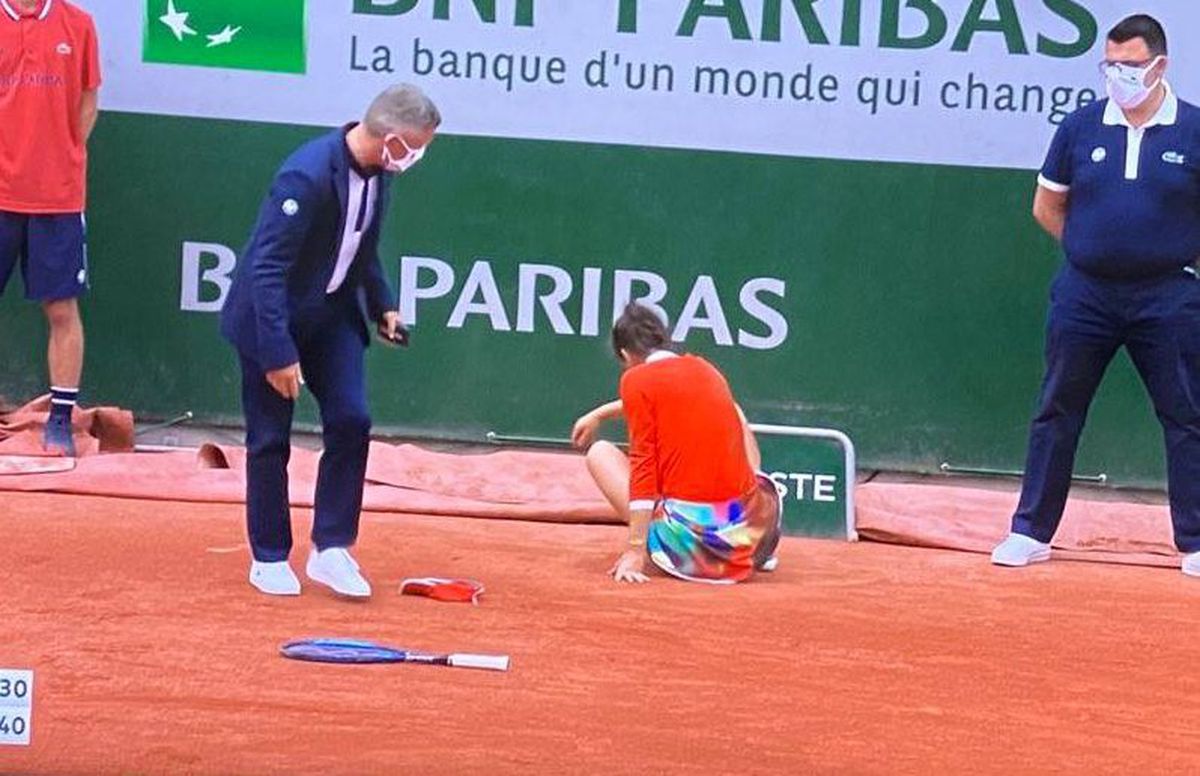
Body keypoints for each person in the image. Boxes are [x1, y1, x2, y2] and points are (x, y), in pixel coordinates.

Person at [992, 15, 1200, 576]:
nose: (1119, 76)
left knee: (1187, 416)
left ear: (1160, 66)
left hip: (1169, 297)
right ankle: (1029, 532)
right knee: (1057, 410)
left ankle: (1197, 542)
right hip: (1085, 296)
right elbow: (1047, 206)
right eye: (1110, 65)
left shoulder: (1195, 130)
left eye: (1130, 66)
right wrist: (1092, 249)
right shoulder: (1080, 126)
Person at [220, 84, 440, 597]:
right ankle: (269, 556)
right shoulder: (308, 174)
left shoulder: (380, 174)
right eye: (415, 146)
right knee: (270, 438)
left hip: (333, 317)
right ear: (389, 138)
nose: (418, 157)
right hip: (270, 319)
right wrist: (275, 351)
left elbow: (361, 244)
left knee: (351, 419)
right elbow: (265, 268)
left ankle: (332, 548)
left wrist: (382, 304)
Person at [573, 303, 782, 584]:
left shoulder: (635, 380)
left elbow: (644, 465)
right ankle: (749, 538)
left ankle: (675, 539)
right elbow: (669, 394)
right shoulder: (705, 368)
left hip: (694, 551)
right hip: (752, 534)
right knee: (735, 411)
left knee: (600, 453)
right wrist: (600, 414)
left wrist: (636, 550)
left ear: (625, 354)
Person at [0, 0, 101, 457]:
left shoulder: (78, 25)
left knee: (62, 311)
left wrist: (59, 157)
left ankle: (60, 418)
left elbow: (87, 103)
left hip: (58, 200)